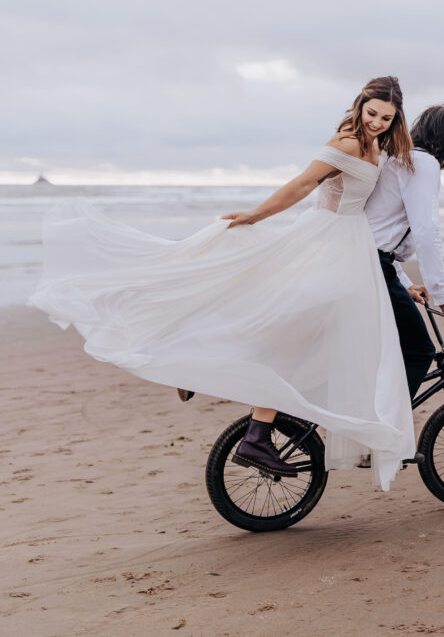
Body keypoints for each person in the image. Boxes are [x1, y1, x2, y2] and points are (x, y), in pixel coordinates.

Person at [29, 76, 418, 491]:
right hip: (325, 243)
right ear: (359, 106)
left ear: (396, 120)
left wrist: (400, 277)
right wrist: (255, 214)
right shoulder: (344, 145)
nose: (376, 122)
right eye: (371, 112)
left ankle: (262, 424)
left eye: (385, 117)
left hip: (352, 248)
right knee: (287, 329)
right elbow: (302, 185)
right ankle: (216, 381)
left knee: (313, 336)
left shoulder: (380, 149)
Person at [365, 104, 444, 399]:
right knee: (420, 352)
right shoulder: (423, 164)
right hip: (373, 268)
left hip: (370, 264)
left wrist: (406, 285)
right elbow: (426, 231)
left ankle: (375, 425)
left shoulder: (405, 160)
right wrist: (443, 294)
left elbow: (381, 237)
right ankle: (385, 431)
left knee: (390, 351)